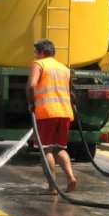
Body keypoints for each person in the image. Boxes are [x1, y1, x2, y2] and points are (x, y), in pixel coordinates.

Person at [27, 39, 77, 195]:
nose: (35, 56)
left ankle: (52, 187)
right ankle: (70, 178)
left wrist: (31, 103)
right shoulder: (64, 69)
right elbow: (70, 92)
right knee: (60, 148)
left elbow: (32, 85)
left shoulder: (39, 64)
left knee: (45, 149)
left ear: (42, 52)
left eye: (36, 52)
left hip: (47, 113)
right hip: (64, 113)